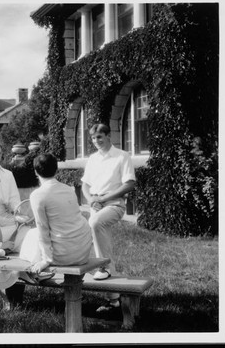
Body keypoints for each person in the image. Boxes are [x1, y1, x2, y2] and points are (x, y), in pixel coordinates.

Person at [81, 123, 136, 312]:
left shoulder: (122, 156)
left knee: (95, 223)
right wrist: (91, 200)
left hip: (115, 204)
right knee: (92, 241)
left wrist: (105, 198)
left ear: (108, 136)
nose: (96, 141)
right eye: (93, 138)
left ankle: (103, 270)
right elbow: (85, 186)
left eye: (100, 137)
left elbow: (129, 184)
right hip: (95, 205)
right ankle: (112, 299)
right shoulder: (93, 159)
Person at [18, 153, 93, 283]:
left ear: (36, 172)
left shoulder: (38, 195)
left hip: (64, 255)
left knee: (31, 233)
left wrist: (46, 260)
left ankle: (27, 273)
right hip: (83, 252)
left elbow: (42, 228)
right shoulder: (69, 190)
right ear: (56, 170)